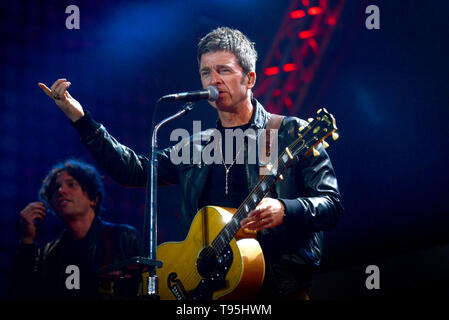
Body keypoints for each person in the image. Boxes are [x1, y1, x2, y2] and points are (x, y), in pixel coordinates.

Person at [38, 27, 343, 300]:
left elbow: (331, 205)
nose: (214, 80)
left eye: (223, 70)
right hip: (205, 289)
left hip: (276, 288)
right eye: (206, 72)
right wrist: (81, 120)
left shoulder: (290, 132)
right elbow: (132, 170)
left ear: (250, 78)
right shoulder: (197, 146)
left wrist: (286, 209)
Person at [10, 159, 143, 300]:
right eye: (55, 188)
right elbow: (23, 293)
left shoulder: (123, 238)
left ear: (93, 198)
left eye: (71, 184)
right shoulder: (48, 254)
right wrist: (27, 240)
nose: (61, 190)